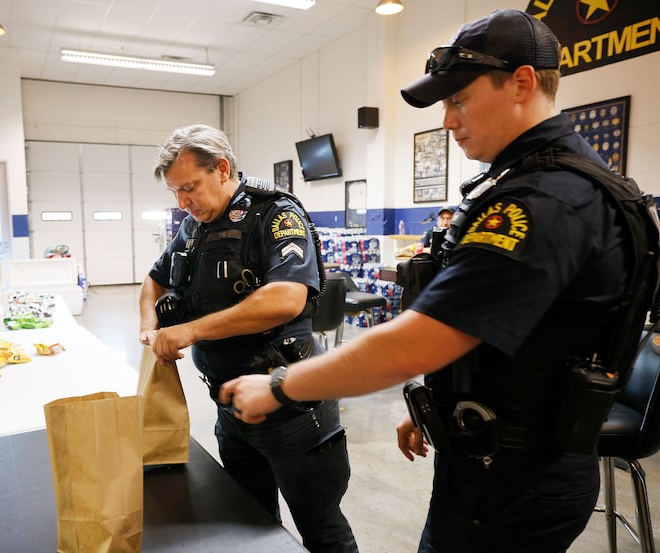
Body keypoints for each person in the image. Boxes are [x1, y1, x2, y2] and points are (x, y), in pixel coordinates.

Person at [220, 9, 636, 552]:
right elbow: (499, 334)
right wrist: (437, 407)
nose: (446, 120)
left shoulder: (543, 202)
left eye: (459, 100)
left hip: (513, 479)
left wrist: (280, 386)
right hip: (494, 452)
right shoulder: (545, 183)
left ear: (522, 83)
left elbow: (421, 339)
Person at [138, 124, 358, 553]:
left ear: (221, 169)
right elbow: (153, 281)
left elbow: (286, 299)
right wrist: (150, 327)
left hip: (291, 409)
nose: (182, 203)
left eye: (189, 188)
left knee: (322, 530)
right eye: (174, 193)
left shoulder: (276, 215)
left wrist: (190, 330)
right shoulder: (194, 228)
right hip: (230, 408)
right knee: (252, 523)